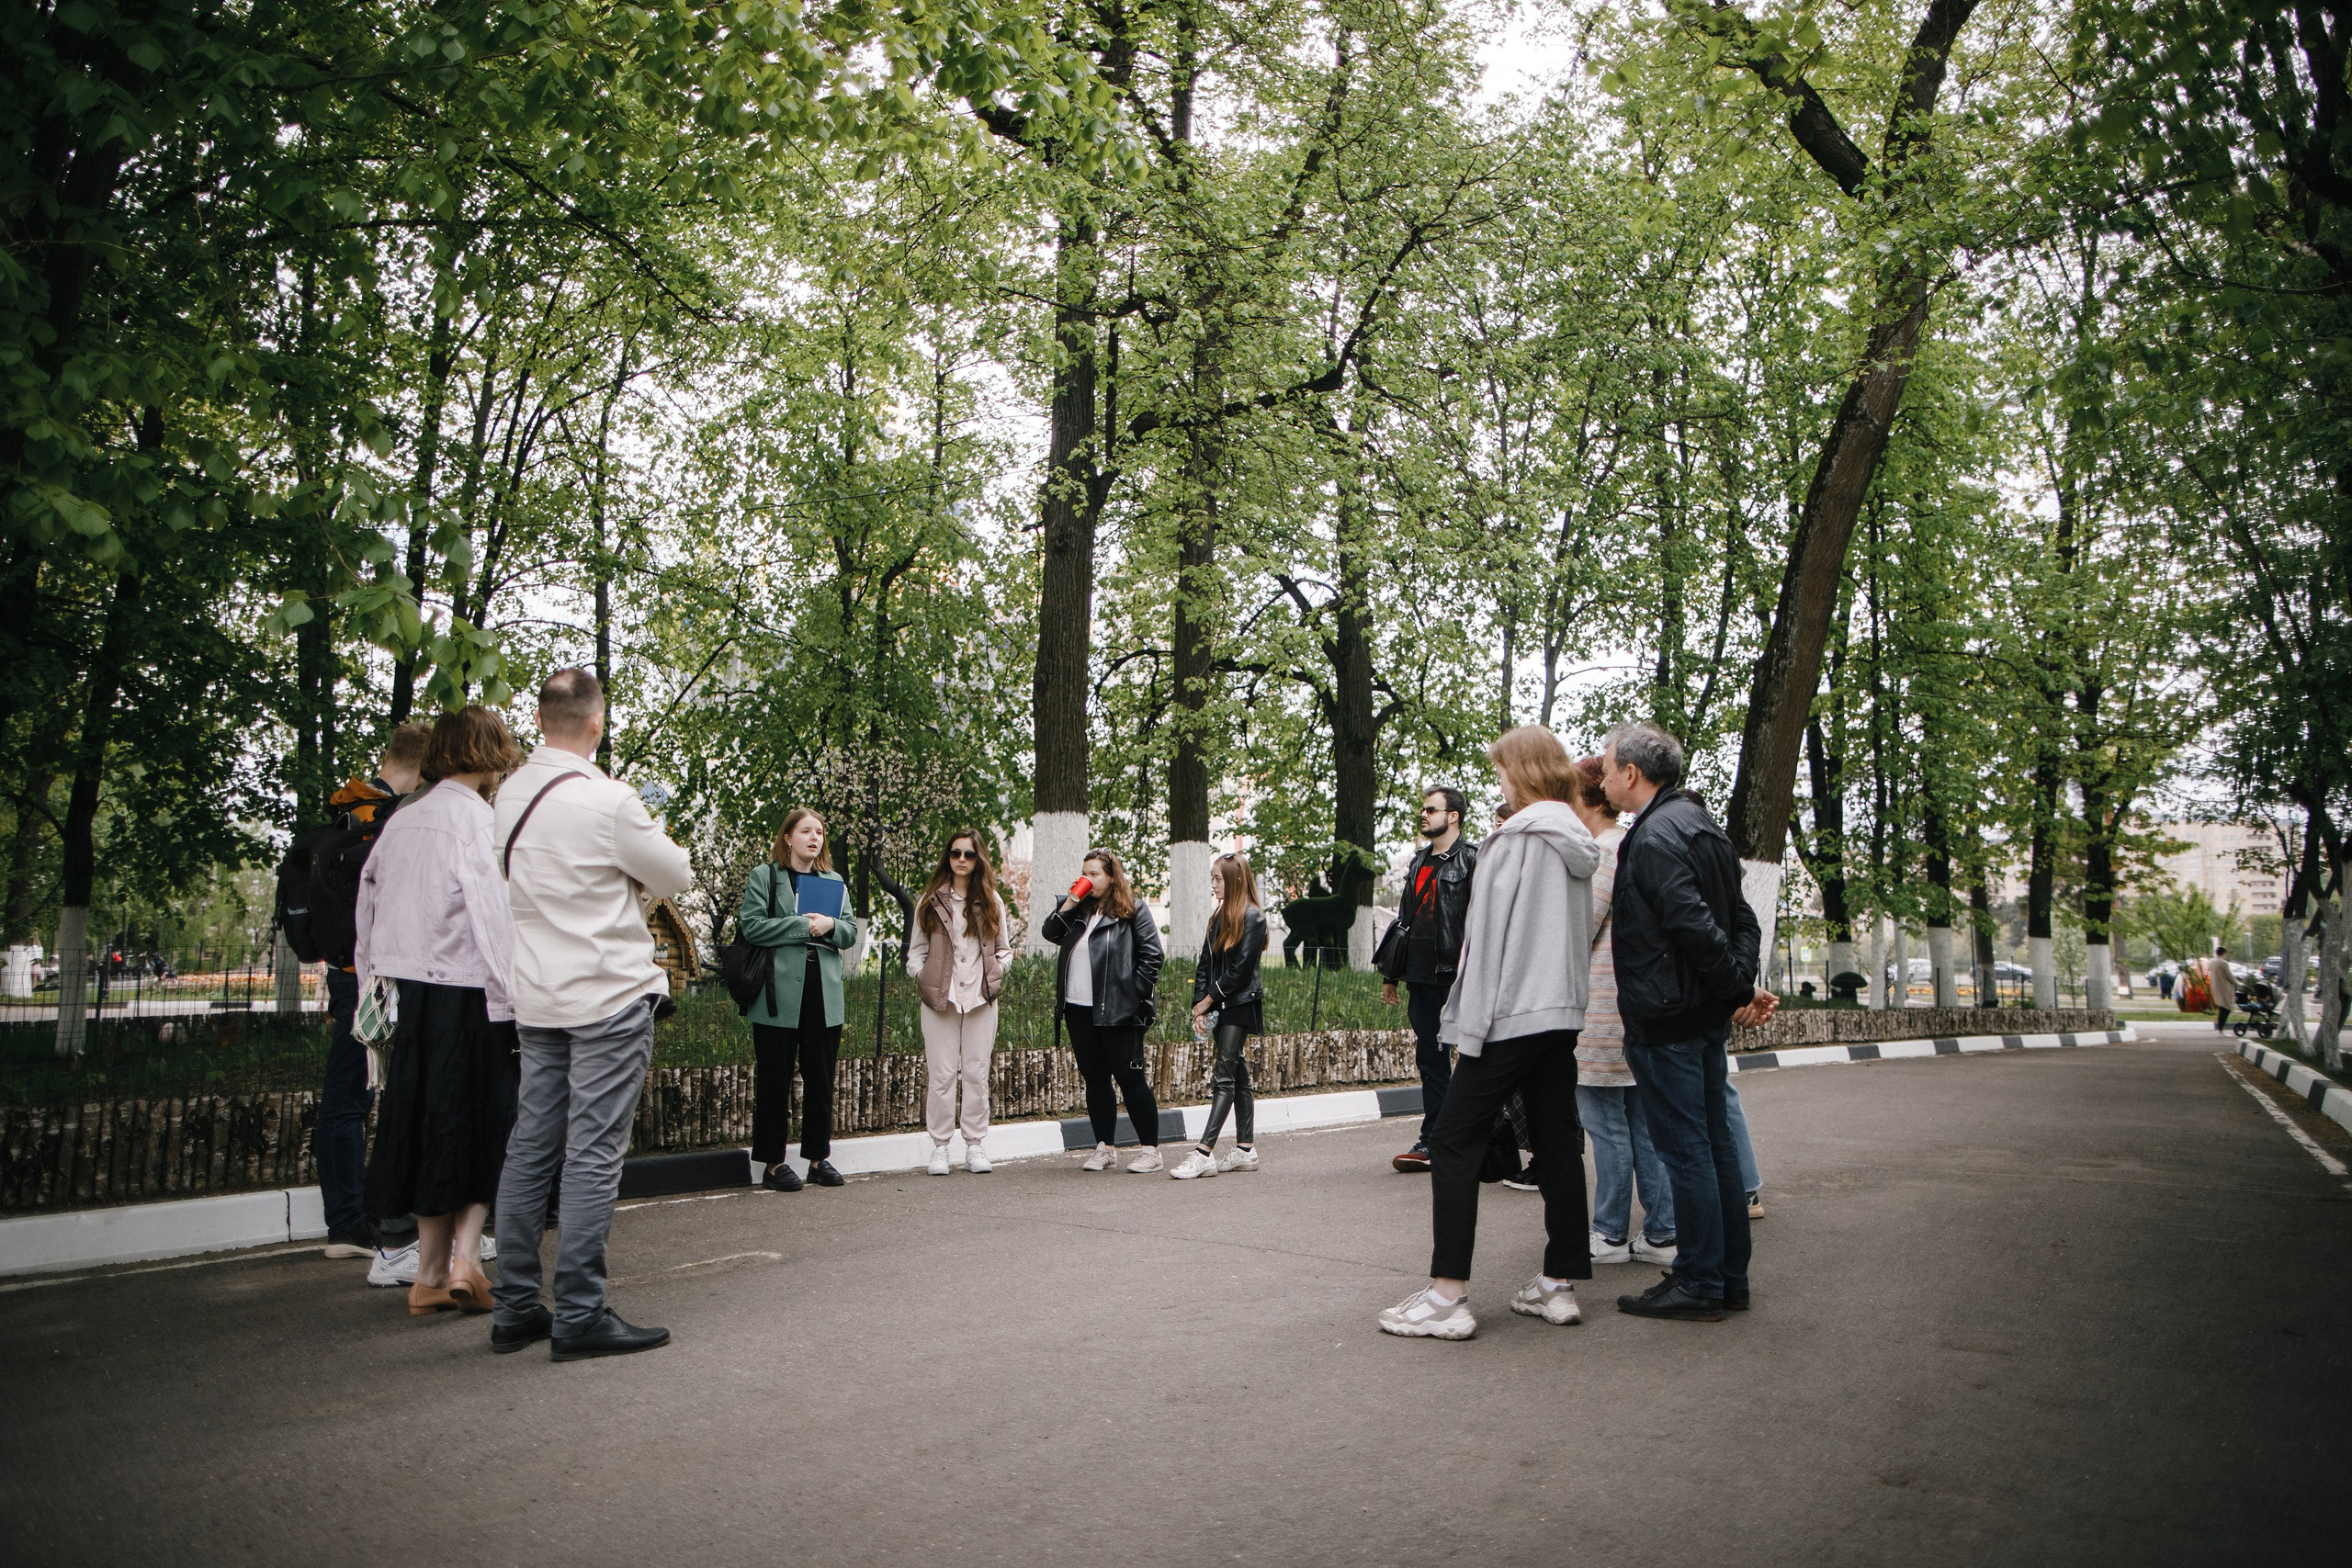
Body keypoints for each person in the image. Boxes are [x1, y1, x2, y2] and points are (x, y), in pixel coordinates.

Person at [492, 669, 694, 1362]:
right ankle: (579, 1312)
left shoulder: (508, 796)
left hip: (537, 996)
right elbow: (676, 874)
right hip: (607, 994)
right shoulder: (608, 800)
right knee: (593, 1153)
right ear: (597, 724)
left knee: (530, 1148)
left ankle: (516, 1306)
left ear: (539, 719)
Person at [1378, 727, 1600, 1341]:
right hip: (1560, 1014)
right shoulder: (1577, 841)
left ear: (1522, 772)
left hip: (1509, 1016)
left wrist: (1467, 1030)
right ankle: (1558, 1285)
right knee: (1557, 1143)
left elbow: (1485, 947)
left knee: (1452, 1140)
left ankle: (1447, 1296)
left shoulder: (1512, 840)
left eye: (1503, 770)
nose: (1499, 781)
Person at [1600, 720, 1776, 1324]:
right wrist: (1737, 987)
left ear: (1631, 773)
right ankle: (1727, 1279)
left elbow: (1694, 925)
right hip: (1699, 1017)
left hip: (1668, 1019)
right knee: (1714, 1144)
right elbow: (1744, 919)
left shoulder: (1652, 838)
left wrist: (1736, 988)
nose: (1602, 779)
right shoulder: (1702, 824)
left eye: (1607, 768)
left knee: (1686, 1151)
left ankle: (1701, 1281)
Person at [353, 707, 522, 1318]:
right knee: (484, 1121)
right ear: (488, 754)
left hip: (409, 993)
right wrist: (515, 996)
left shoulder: (402, 820)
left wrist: (370, 983)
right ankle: (466, 1260)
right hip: (471, 991)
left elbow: (367, 907)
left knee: (425, 1123)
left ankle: (426, 1273)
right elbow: (492, 916)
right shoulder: (479, 820)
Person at [317, 723, 426, 1261]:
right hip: (376, 974)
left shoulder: (348, 808)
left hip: (348, 970)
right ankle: (351, 1224)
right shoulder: (388, 819)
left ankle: (355, 1217)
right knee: (358, 1095)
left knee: (352, 1094)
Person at [1565, 754, 1677, 1267]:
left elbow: (1579, 930)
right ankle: (1662, 1232)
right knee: (1640, 1127)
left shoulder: (1602, 851)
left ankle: (1609, 1233)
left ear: (1584, 797)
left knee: (1606, 1127)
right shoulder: (1625, 844)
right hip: (1625, 1010)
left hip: (1601, 1015)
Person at [738, 807, 863, 1191]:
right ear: (788, 837)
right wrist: (803, 925)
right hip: (777, 994)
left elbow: (850, 932)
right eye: (806, 831)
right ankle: (773, 1164)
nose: (814, 838)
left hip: (824, 992)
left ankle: (818, 1159)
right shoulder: (765, 876)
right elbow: (752, 927)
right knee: (774, 1080)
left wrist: (830, 925)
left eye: (820, 832)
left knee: (821, 1079)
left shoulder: (834, 881)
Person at [1044, 847, 1166, 1173]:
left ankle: (1151, 1150)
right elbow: (1050, 932)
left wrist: (1131, 994)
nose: (1088, 879)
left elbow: (1153, 956)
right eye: (1084, 873)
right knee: (1095, 1079)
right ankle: (1105, 1148)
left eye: (1094, 874)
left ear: (1112, 877)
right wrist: (1071, 901)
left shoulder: (1132, 910)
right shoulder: (1078, 911)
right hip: (1078, 1008)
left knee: (1130, 1078)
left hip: (1118, 1010)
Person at [1382, 786, 1478, 1172]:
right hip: (1421, 975)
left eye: (1431, 810)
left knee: (1473, 1060)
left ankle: (1475, 1139)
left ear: (1453, 816)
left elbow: (1481, 920)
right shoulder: (1419, 860)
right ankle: (1434, 1139)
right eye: (1423, 810)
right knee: (1431, 1060)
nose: (1423, 815)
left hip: (1458, 976)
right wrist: (1391, 973)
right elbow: (1404, 918)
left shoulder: (1473, 859)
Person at [905, 829, 1009, 1176]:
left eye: (969, 854)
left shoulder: (992, 900)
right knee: (942, 1075)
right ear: (947, 857)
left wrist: (997, 971)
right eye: (955, 853)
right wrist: (924, 976)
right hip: (940, 999)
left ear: (979, 859)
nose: (962, 860)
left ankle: (975, 1145)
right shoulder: (930, 900)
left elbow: (1005, 949)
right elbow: (915, 952)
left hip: (981, 999)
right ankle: (940, 1147)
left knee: (977, 1073)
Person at [1172, 852, 1269, 1180]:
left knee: (1224, 1075)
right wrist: (1199, 1004)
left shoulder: (1253, 917)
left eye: (1218, 878)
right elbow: (1205, 963)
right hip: (1219, 1004)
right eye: (1212, 878)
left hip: (1239, 1004)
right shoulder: (1219, 915)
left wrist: (1209, 1000)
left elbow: (1240, 971)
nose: (1213, 884)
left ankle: (1204, 1153)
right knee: (1238, 1074)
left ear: (1236, 880)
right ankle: (1246, 1149)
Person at [2207, 942, 2238, 1032]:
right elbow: (2229, 975)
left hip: (2215, 986)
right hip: (2224, 987)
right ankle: (2221, 1028)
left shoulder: (2212, 962)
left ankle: (2220, 1028)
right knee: (2226, 1008)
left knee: (2222, 1007)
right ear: (2224, 953)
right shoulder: (2223, 963)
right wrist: (2238, 983)